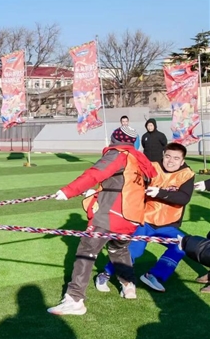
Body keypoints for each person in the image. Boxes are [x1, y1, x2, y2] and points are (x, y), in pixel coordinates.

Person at [47, 126, 157, 315]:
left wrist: (68, 191)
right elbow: (122, 184)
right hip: (131, 217)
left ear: (115, 139)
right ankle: (128, 285)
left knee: (86, 251)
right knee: (118, 249)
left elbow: (94, 174)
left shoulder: (118, 154)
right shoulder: (139, 159)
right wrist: (97, 191)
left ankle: (74, 300)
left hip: (111, 214)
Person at [96, 143, 194, 293]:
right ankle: (105, 273)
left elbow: (183, 198)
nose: (170, 161)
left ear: (182, 161)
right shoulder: (151, 167)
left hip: (169, 225)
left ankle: (154, 275)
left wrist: (160, 193)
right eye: (168, 156)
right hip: (145, 220)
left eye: (176, 158)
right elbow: (131, 184)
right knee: (134, 251)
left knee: (182, 245)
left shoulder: (187, 174)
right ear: (163, 156)